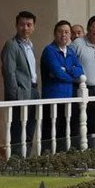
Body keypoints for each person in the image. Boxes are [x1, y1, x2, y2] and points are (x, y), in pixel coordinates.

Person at [40, 20, 84, 152]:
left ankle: (62, 160)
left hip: (68, 98)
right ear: (55, 34)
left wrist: (66, 70)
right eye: (60, 32)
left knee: (64, 134)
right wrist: (71, 76)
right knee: (50, 133)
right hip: (52, 98)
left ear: (70, 35)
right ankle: (47, 160)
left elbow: (80, 70)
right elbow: (57, 73)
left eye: (66, 32)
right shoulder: (49, 50)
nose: (63, 35)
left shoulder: (70, 51)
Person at [1, 11, 38, 157]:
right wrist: (15, 96)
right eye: (22, 24)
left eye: (29, 25)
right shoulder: (12, 45)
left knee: (29, 132)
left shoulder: (30, 45)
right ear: (16, 25)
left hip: (33, 91)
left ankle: (26, 160)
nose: (25, 28)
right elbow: (9, 73)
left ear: (33, 27)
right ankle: (16, 162)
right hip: (19, 94)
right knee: (17, 132)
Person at [71, 15, 95, 147]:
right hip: (81, 90)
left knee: (94, 123)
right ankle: (76, 151)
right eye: (94, 26)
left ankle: (92, 151)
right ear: (88, 27)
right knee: (78, 124)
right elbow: (69, 64)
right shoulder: (77, 44)